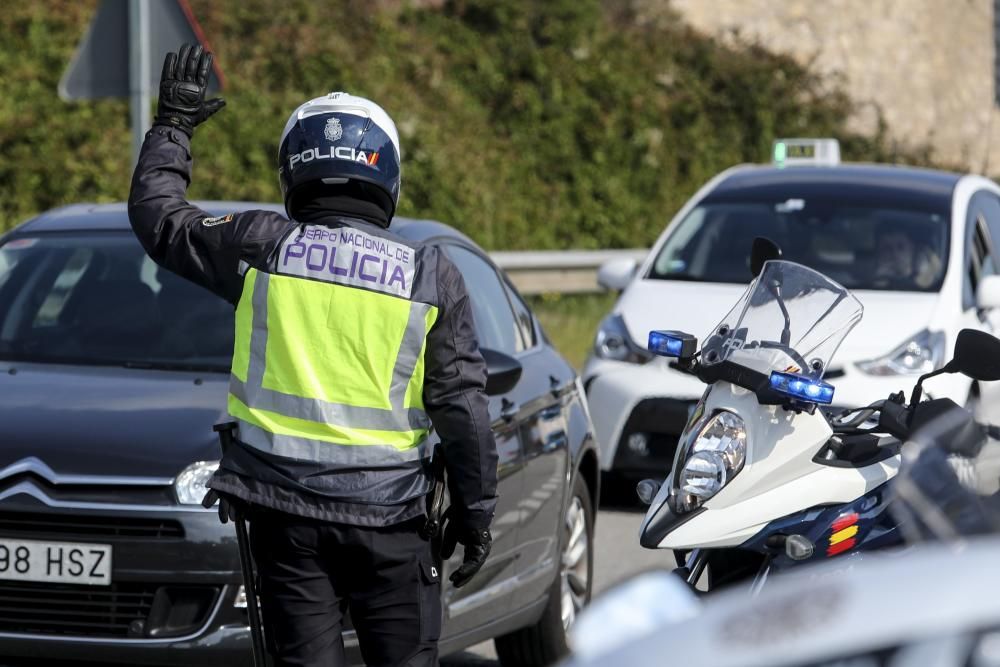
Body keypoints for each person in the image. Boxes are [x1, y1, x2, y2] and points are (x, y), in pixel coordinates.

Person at [128, 44, 498, 667]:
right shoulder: (430, 274)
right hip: (393, 522)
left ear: (292, 170)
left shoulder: (259, 247)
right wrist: (476, 515)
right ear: (387, 175)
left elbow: (158, 219)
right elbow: (462, 409)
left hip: (286, 521)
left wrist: (173, 128)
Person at [872, 223, 942, 289]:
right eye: (887, 248)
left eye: (901, 247)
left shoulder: (933, 284)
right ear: (879, 253)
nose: (894, 253)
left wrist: (923, 275)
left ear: (912, 250)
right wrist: (880, 280)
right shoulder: (866, 283)